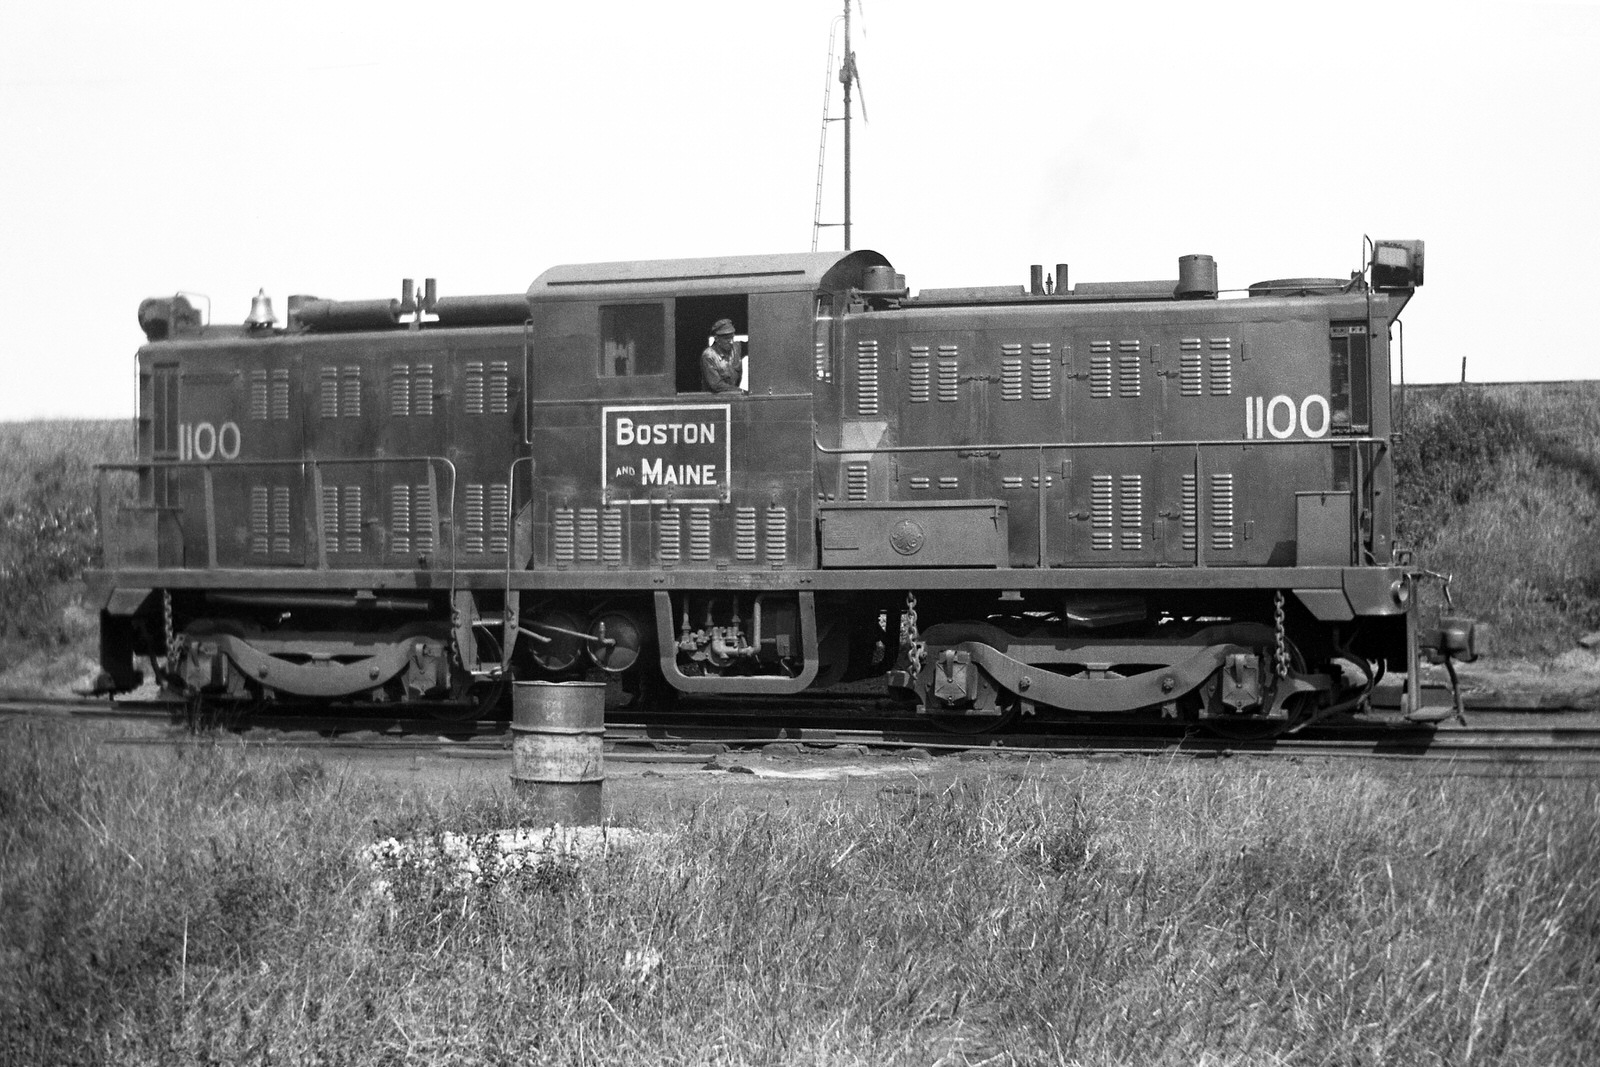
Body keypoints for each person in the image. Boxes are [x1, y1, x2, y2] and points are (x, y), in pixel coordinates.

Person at [701, 318, 745, 393]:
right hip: (715, 400)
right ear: (716, 339)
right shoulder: (709, 356)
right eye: (727, 339)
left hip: (734, 395)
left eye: (732, 337)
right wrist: (741, 392)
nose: (731, 342)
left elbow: (755, 346)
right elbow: (717, 385)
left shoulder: (736, 347)